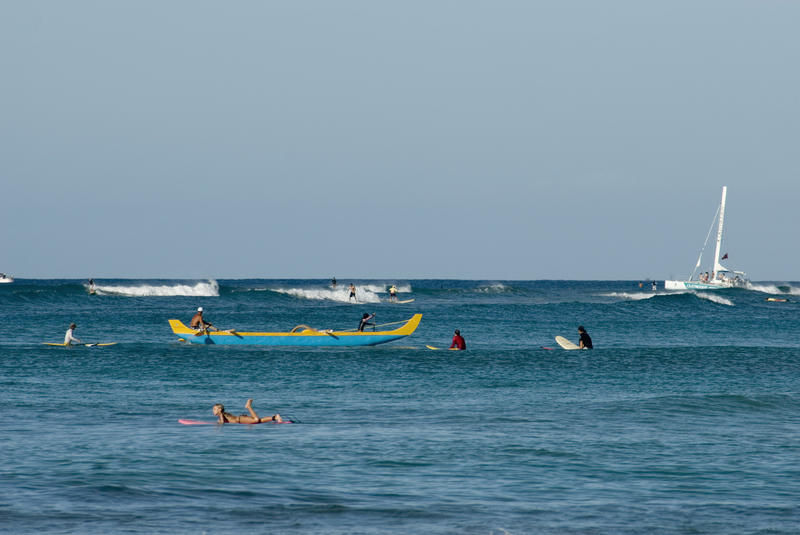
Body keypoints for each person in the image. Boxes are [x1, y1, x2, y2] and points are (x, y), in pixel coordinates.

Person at [213, 399, 282, 424]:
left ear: (219, 410)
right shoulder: (224, 414)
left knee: (256, 420)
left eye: (214, 409)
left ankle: (249, 406)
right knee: (259, 421)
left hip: (240, 420)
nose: (213, 411)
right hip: (241, 419)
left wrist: (218, 424)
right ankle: (275, 417)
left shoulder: (221, 414)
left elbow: (222, 422)